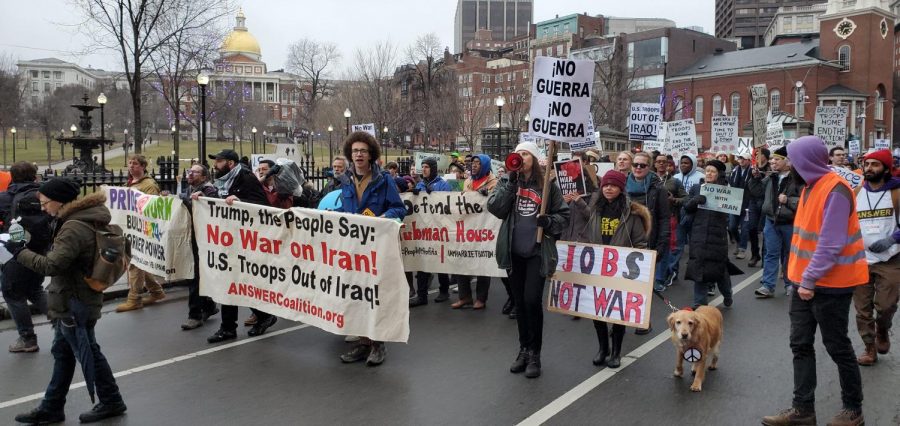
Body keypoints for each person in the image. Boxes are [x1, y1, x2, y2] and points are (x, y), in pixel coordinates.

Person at [762, 136, 868, 426]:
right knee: (800, 345)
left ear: (805, 161)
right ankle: (803, 409)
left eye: (793, 159)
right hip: (804, 283)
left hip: (830, 285)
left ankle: (852, 409)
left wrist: (807, 280)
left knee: (837, 346)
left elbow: (830, 244)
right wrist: (797, 277)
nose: (790, 164)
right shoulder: (811, 186)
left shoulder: (835, 190)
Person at [9, 179, 127, 424]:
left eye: (45, 203)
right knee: (63, 353)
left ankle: (111, 400)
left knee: (89, 352)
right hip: (73, 298)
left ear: (59, 201)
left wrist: (19, 252)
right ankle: (52, 406)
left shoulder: (73, 227)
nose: (43, 208)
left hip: (75, 300)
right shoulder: (83, 218)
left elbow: (53, 265)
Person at [488, 141, 569, 379]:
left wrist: (550, 223)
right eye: (518, 153)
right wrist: (510, 184)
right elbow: (495, 208)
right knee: (520, 304)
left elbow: (563, 215)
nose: (521, 157)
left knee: (532, 301)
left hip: (536, 252)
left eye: (526, 154)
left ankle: (535, 353)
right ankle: (523, 350)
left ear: (534, 159)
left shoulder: (547, 187)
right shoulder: (507, 181)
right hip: (514, 253)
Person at [336, 131, 405, 366]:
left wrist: (383, 217)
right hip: (353, 249)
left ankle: (378, 344)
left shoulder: (384, 180)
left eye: (363, 151)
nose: (358, 155)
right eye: (355, 151)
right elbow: (343, 213)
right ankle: (363, 343)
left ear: (371, 154)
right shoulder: (345, 180)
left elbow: (399, 209)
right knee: (357, 295)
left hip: (376, 247)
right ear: (350, 155)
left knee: (374, 296)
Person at [568, 170, 650, 367]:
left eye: (613, 185)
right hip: (598, 268)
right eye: (605, 185)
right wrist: (579, 202)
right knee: (597, 312)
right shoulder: (596, 209)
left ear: (621, 188)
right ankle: (602, 348)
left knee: (617, 313)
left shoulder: (631, 213)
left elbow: (640, 243)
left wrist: (640, 268)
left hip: (621, 270)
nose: (608, 188)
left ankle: (616, 352)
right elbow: (588, 226)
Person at [202, 149, 278, 343]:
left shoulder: (246, 178)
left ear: (230, 163)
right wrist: (201, 198)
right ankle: (229, 327)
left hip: (246, 240)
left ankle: (261, 316)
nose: (215, 165)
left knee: (242, 284)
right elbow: (220, 202)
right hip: (227, 239)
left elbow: (261, 206)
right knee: (229, 283)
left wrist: (240, 201)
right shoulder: (223, 181)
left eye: (219, 161)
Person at [852, 149, 899, 366]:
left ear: (886, 169)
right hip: (861, 260)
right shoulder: (857, 191)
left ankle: (882, 328)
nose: (869, 168)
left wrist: (892, 239)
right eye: (867, 164)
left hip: (890, 259)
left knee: (886, 306)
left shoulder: (896, 192)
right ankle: (869, 347)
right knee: (862, 309)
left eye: (875, 164)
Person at [1, 162, 52, 352]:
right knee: (34, 289)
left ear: (12, 177)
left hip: (16, 253)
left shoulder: (7, 198)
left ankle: (27, 338)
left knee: (12, 292)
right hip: (40, 250)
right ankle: (64, 322)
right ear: (34, 176)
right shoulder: (43, 196)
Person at [116, 155, 165, 312]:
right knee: (138, 262)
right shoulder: (129, 183)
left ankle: (134, 299)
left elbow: (152, 208)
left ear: (143, 166)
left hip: (143, 229)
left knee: (135, 263)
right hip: (130, 228)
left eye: (135, 164)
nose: (131, 166)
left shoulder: (149, 185)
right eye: (130, 163)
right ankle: (156, 292)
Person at [751, 146, 801, 299]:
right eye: (772, 159)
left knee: (789, 255)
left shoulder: (798, 178)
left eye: (777, 159)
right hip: (771, 221)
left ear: (788, 162)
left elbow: (806, 201)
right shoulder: (770, 177)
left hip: (789, 222)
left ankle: (789, 284)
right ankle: (768, 285)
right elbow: (757, 193)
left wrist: (788, 200)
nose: (772, 162)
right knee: (770, 253)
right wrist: (755, 178)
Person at [684, 159, 735, 308]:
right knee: (699, 268)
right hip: (698, 234)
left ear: (718, 174)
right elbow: (687, 207)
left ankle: (727, 293)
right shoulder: (696, 188)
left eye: (712, 171)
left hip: (717, 235)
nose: (709, 174)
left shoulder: (725, 190)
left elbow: (731, 210)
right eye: (707, 171)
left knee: (720, 270)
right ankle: (699, 304)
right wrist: (696, 201)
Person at [174, 164, 219, 330]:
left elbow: (210, 209)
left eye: (195, 172)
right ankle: (208, 305)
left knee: (194, 275)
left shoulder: (209, 190)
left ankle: (195, 315)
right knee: (194, 275)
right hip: (191, 238)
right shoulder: (190, 189)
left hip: (202, 240)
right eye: (189, 171)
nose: (190, 174)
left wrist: (187, 201)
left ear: (204, 176)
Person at [451, 154, 498, 310]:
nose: (474, 165)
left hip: (484, 229)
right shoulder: (468, 181)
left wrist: (489, 196)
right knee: (461, 260)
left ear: (485, 165)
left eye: (478, 163)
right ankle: (465, 297)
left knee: (482, 263)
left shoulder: (494, 182)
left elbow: (497, 202)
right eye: (473, 163)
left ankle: (481, 298)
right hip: (467, 228)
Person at [626, 152, 671, 299]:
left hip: (647, 240)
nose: (638, 168)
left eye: (642, 165)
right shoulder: (622, 184)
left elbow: (664, 218)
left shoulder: (659, 189)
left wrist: (661, 245)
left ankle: (641, 319)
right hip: (625, 239)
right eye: (635, 164)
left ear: (649, 167)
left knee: (641, 287)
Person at [410, 157, 453, 307]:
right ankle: (421, 296)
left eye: (427, 167)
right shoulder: (420, 184)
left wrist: (433, 194)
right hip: (423, 229)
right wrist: (413, 194)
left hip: (439, 229)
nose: (424, 170)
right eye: (423, 167)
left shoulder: (443, 185)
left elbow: (448, 205)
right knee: (422, 261)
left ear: (433, 168)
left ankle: (444, 290)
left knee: (440, 261)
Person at [654, 154, 688, 289]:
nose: (661, 164)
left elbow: (686, 199)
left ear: (669, 165)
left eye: (664, 162)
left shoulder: (675, 182)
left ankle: (660, 278)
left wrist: (674, 200)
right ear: (655, 164)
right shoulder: (650, 179)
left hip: (669, 219)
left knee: (667, 248)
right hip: (652, 219)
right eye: (659, 162)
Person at [669, 154, 702, 284]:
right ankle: (672, 272)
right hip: (679, 216)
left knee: (695, 245)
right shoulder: (675, 178)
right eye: (682, 163)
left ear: (693, 164)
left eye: (687, 163)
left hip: (696, 216)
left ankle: (697, 273)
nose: (683, 165)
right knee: (677, 245)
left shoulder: (701, 178)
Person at [728, 153, 753, 260]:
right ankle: (738, 243)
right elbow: (730, 183)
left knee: (744, 228)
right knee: (732, 227)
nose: (741, 160)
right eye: (739, 158)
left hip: (747, 203)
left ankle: (742, 249)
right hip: (734, 202)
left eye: (743, 159)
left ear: (748, 160)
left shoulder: (752, 171)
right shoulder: (734, 171)